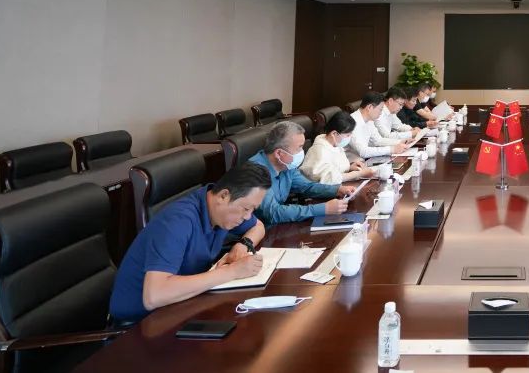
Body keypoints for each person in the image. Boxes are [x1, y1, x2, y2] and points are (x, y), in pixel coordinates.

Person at [109, 162, 271, 322]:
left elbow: (258, 226)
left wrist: (243, 244)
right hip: (139, 324)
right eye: (246, 209)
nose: (248, 217)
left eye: (252, 210)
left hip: (180, 306)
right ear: (224, 196)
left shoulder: (220, 212)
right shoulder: (178, 222)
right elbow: (154, 296)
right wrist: (232, 271)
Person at [250, 121, 349, 225]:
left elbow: (307, 187)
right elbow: (273, 213)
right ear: (279, 153)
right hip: (260, 229)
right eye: (299, 147)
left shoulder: (286, 164)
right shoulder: (256, 172)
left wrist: (337, 190)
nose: (302, 152)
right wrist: (323, 209)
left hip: (280, 225)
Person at [300, 110, 377, 185]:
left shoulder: (335, 144)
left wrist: (350, 167)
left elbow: (336, 168)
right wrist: (358, 174)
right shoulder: (320, 150)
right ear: (334, 134)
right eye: (347, 135)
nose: (349, 137)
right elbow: (329, 179)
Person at [349, 91, 411, 159]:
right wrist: (392, 149)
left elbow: (378, 140)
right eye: (380, 109)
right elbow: (363, 152)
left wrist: (401, 142)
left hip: (365, 159)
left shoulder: (369, 120)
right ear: (370, 107)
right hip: (353, 162)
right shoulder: (353, 122)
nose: (381, 113)